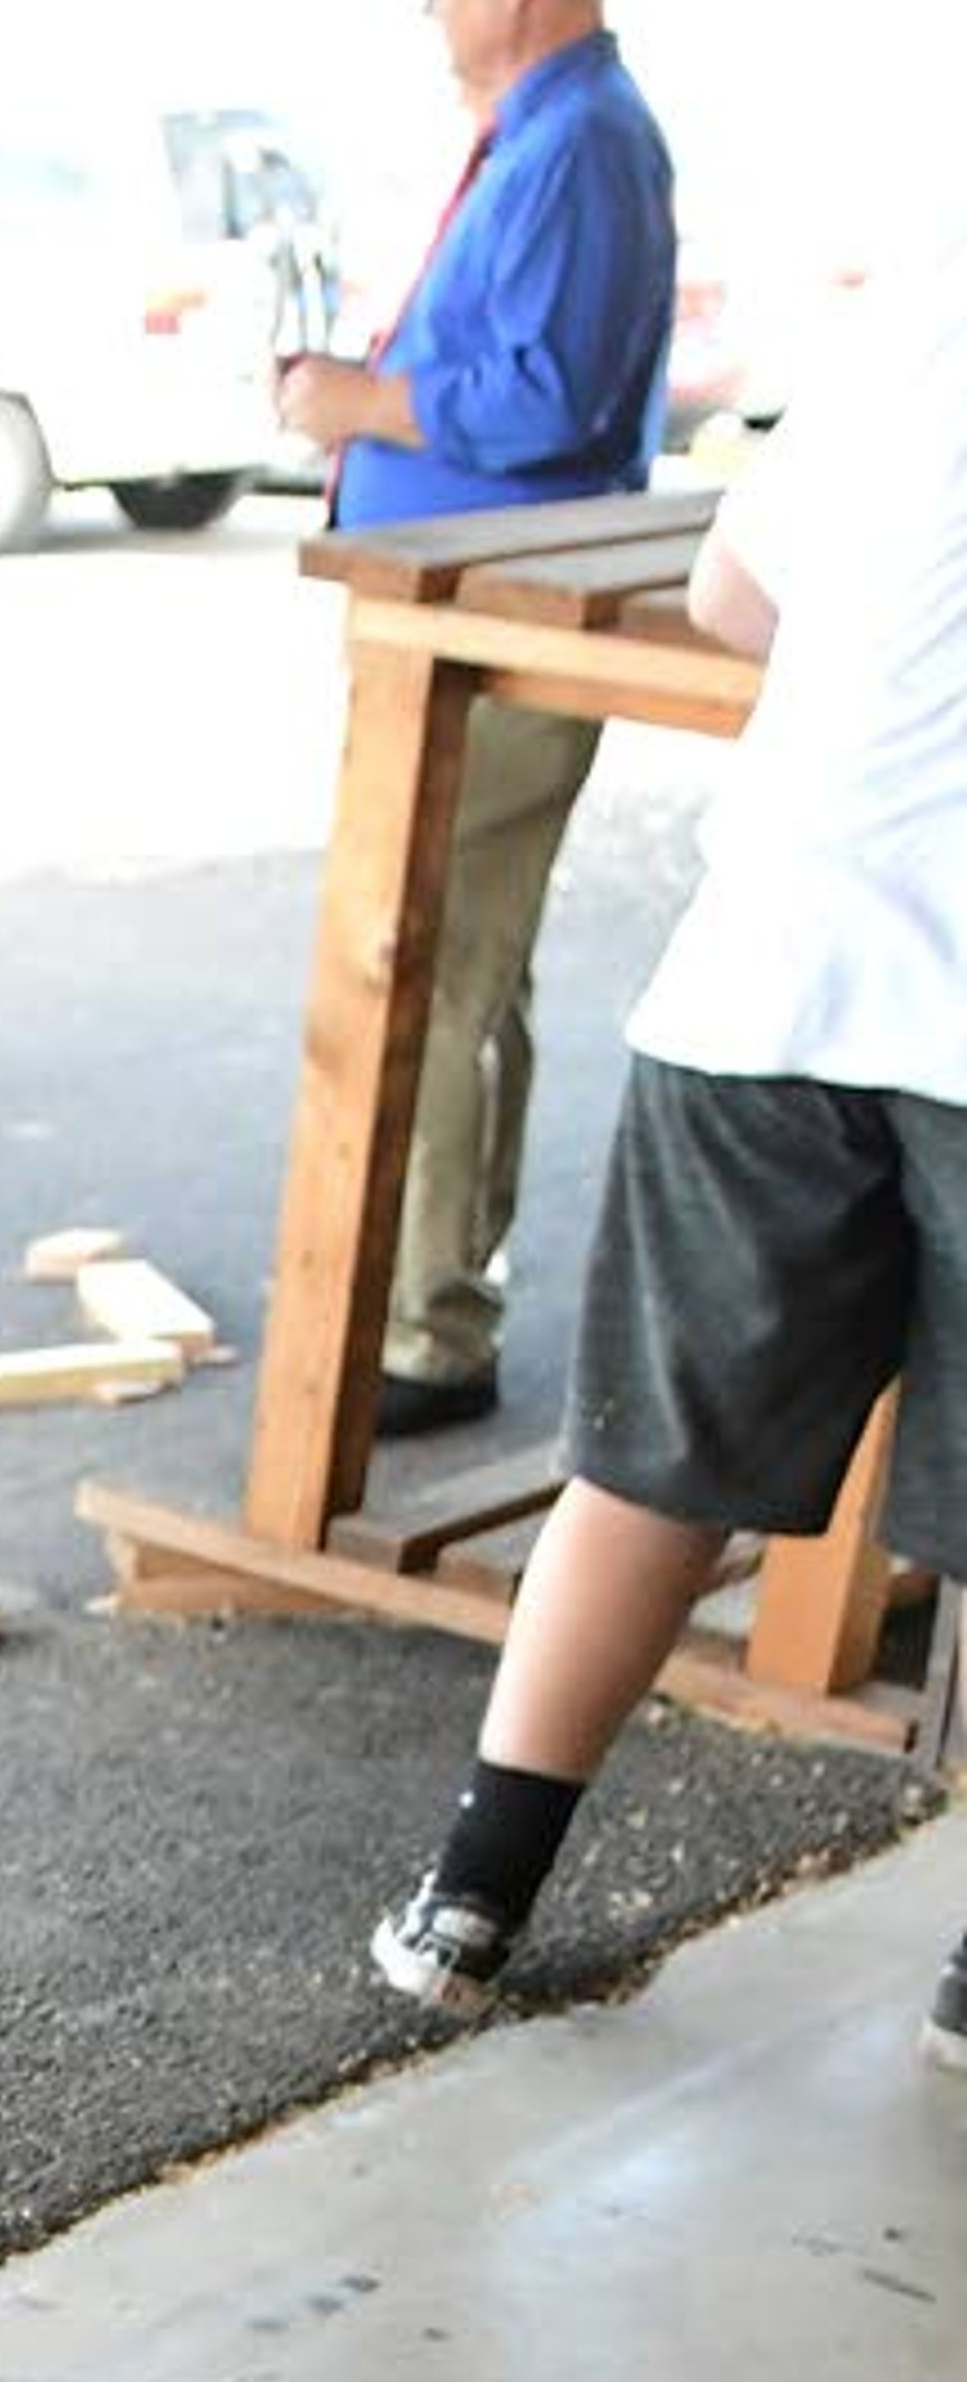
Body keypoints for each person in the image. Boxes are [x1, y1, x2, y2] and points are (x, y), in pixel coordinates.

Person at [373, 201, 967, 2070]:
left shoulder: (918, 301)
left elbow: (733, 597)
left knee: (652, 1466)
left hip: (772, 974)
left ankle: (473, 1894)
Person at [272, 0, 677, 1440]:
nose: (430, 5)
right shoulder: (551, 137)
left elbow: (546, 399)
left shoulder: (580, 143)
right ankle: (423, 1291)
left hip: (503, 615)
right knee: (444, 963)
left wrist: (353, 404)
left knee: (438, 965)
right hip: (460, 608)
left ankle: (429, 1318)